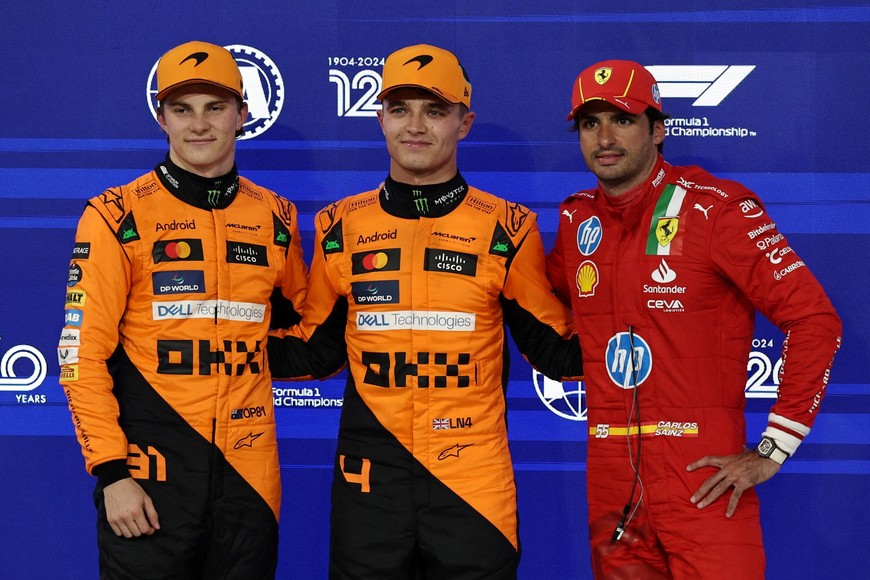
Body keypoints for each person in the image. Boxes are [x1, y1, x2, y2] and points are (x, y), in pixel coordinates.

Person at [268, 44, 582, 579]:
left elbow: (556, 350)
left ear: (464, 123)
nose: (415, 126)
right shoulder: (339, 226)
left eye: (434, 110)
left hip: (473, 480)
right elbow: (315, 350)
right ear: (380, 119)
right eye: (399, 109)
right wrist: (192, 330)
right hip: (370, 479)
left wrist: (657, 317)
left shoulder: (508, 227)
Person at [546, 59, 842, 578]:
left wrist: (774, 448)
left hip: (702, 476)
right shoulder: (576, 219)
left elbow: (815, 318)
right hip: (613, 481)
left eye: (622, 119)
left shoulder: (717, 209)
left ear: (658, 130)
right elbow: (538, 300)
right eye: (590, 123)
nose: (605, 137)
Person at [58, 40, 307, 579]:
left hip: (250, 474)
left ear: (243, 115)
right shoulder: (115, 214)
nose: (199, 125)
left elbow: (307, 329)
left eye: (215, 107)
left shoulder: (277, 217)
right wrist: (111, 474)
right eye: (182, 109)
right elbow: (81, 355)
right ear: (161, 119)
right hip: (148, 478)